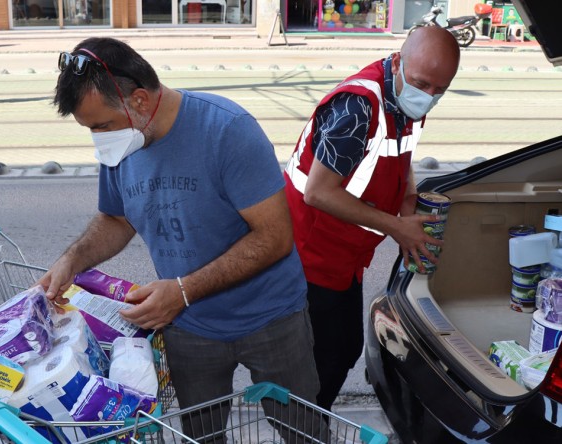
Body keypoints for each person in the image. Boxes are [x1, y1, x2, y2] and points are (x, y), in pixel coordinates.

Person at [42, 37, 320, 442]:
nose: (99, 139)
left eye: (101, 126)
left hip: (271, 317)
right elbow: (117, 219)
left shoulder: (227, 130)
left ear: (139, 100)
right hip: (189, 328)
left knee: (303, 432)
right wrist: (71, 261)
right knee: (201, 435)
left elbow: (275, 237)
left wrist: (183, 291)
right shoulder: (124, 141)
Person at [283, 26, 460, 411]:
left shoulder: (405, 98)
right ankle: (304, 426)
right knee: (325, 356)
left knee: (344, 348)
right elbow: (318, 192)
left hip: (347, 253)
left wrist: (408, 198)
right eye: (422, 84)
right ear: (397, 63)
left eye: (439, 90)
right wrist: (397, 227)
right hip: (311, 253)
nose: (428, 96)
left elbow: (401, 152)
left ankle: (311, 421)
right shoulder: (357, 108)